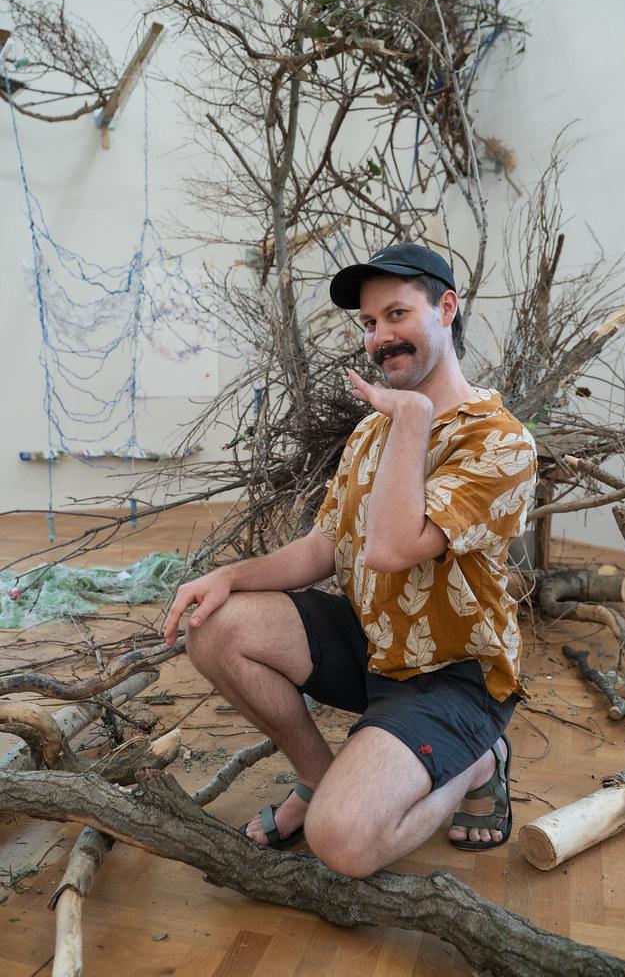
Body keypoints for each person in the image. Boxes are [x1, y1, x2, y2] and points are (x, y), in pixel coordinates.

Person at [164, 242, 536, 878]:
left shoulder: (498, 441)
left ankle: (480, 759)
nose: (380, 337)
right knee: (215, 624)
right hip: (375, 644)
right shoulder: (371, 431)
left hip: (454, 675)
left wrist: (412, 419)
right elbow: (325, 546)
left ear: (447, 308)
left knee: (343, 844)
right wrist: (226, 576)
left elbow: (391, 549)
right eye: (369, 323)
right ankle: (319, 779)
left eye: (396, 315)